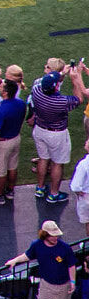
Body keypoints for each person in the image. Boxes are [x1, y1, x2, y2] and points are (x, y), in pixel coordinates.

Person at [29, 65, 85, 202]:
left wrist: (61, 74)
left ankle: (40, 188)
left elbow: (51, 82)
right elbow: (79, 99)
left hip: (40, 130)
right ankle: (53, 194)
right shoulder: (60, 102)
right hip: (57, 135)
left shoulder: (36, 90)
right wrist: (74, 80)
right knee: (57, 163)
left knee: (43, 159)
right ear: (55, 87)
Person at [2, 222, 76, 299]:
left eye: (56, 235)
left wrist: (72, 281)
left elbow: (71, 265)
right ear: (45, 234)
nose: (55, 238)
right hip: (46, 285)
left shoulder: (65, 248)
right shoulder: (37, 245)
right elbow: (27, 255)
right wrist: (15, 260)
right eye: (52, 235)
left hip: (63, 287)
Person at [0, 77, 28, 204]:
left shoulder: (1, 110)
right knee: (13, 166)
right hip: (15, 138)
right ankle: (10, 191)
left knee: (0, 170)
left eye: (1, 86)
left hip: (2, 143)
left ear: (5, 93)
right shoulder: (21, 103)